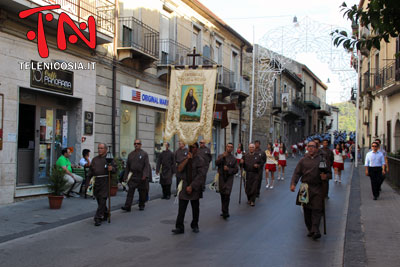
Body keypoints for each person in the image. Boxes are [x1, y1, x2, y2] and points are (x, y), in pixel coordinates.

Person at [290, 141, 331, 240]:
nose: (311, 148)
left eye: (313, 146)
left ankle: (315, 229)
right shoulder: (303, 160)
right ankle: (310, 229)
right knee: (307, 210)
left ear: (317, 148)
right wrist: (293, 184)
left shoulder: (321, 160)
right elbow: (297, 173)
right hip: (305, 187)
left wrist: (325, 176)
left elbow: (328, 173)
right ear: (307, 148)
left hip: (317, 187)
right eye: (309, 146)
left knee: (317, 209)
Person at [172, 142, 206, 234]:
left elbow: (201, 175)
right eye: (190, 147)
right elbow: (179, 169)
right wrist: (187, 159)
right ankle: (179, 227)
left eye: (194, 147)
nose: (192, 149)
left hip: (195, 187)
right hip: (185, 185)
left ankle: (195, 224)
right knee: (181, 208)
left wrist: (192, 186)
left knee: (195, 208)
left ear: (197, 149)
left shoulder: (200, 160)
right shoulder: (185, 158)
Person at [87, 143, 116, 226]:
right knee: (99, 200)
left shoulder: (109, 159)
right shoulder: (95, 159)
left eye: (101, 148)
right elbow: (90, 172)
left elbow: (115, 169)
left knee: (103, 199)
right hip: (96, 181)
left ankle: (98, 217)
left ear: (105, 150)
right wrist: (88, 183)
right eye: (98, 148)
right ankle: (106, 212)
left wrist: (112, 168)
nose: (99, 150)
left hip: (105, 181)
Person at [121, 139, 150, 212]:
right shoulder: (130, 154)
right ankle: (127, 206)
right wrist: (125, 176)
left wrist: (145, 175)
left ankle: (141, 204)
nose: (136, 145)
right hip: (133, 175)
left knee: (142, 192)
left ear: (140, 145)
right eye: (135, 143)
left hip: (141, 175)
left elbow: (146, 165)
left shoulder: (144, 154)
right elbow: (127, 166)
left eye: (138, 143)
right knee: (130, 191)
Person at [216, 143, 238, 219]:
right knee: (222, 194)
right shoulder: (220, 156)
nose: (229, 148)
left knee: (227, 194)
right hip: (222, 177)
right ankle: (223, 210)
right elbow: (216, 163)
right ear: (226, 147)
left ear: (232, 149)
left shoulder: (233, 159)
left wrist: (229, 169)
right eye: (228, 147)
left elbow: (236, 170)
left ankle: (226, 211)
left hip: (229, 178)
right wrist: (222, 157)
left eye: (231, 147)